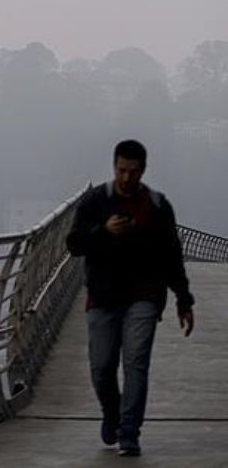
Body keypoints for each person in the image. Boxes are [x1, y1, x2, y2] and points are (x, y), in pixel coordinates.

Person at [66, 139, 195, 457]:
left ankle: (129, 432)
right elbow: (74, 244)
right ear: (114, 167)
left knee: (136, 363)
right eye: (121, 170)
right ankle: (112, 413)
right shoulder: (96, 201)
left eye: (133, 172)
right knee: (102, 368)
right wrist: (103, 231)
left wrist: (183, 299)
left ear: (143, 170)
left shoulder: (157, 205)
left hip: (144, 296)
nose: (126, 178)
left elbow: (171, 255)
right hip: (103, 297)